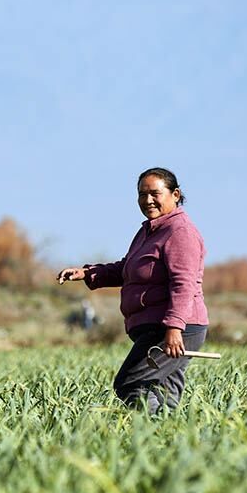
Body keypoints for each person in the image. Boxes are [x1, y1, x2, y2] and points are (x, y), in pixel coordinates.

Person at [57, 167, 209, 415]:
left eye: (154, 193)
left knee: (130, 382)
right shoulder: (149, 231)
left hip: (173, 327)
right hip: (161, 326)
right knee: (162, 393)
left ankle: (149, 430)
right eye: (141, 194)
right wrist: (87, 273)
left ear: (176, 194)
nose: (147, 200)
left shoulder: (180, 232)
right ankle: (166, 442)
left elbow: (183, 284)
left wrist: (174, 328)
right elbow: (127, 269)